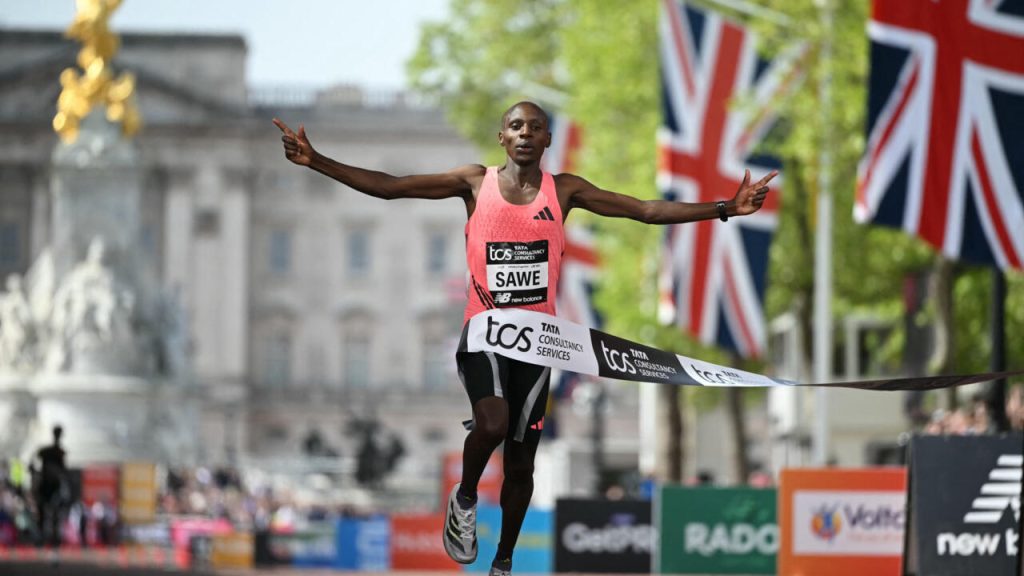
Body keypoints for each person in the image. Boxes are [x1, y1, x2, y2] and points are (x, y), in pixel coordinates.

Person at [273, 101, 775, 576]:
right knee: (492, 422)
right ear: (502, 137)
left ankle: (504, 561)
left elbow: (644, 210)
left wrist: (725, 207)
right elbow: (390, 187)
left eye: (535, 127)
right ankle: (465, 498)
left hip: (538, 343)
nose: (525, 134)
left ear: (548, 140)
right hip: (486, 332)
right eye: (516, 126)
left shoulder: (565, 190)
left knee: (520, 463)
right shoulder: (474, 183)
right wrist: (317, 161)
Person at [33, 425, 69, 547]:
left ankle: (52, 538)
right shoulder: (48, 452)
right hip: (46, 486)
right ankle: (42, 538)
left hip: (54, 487)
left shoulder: (59, 452)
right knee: (43, 514)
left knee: (54, 514)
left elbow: (63, 471)